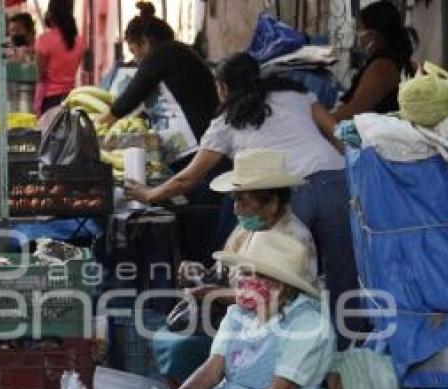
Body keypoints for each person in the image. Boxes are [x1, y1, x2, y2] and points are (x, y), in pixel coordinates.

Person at [126, 52, 362, 349]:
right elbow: (337, 134)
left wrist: (148, 194)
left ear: (223, 87)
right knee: (343, 275)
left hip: (291, 192)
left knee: (285, 276)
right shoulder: (296, 95)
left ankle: (287, 349)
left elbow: (189, 178)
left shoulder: (226, 121)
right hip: (335, 180)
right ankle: (346, 349)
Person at [156, 231, 335, 389]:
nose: (239, 280)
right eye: (241, 272)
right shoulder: (238, 314)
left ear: (278, 284)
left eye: (249, 274)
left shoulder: (308, 325)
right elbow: (213, 367)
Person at [153, 149, 317, 389]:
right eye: (235, 199)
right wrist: (200, 273)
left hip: (274, 323)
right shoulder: (250, 226)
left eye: (243, 200)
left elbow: (278, 297)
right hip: (238, 315)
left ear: (272, 203)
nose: (236, 209)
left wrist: (216, 295)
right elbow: (229, 269)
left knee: (181, 348)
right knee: (165, 335)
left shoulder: (291, 238)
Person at [100, 1, 231, 263]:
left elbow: (130, 97)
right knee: (197, 215)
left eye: (134, 50)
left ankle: (208, 271)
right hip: (190, 153)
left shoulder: (167, 53)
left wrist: (101, 123)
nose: (135, 58)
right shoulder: (177, 58)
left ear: (146, 42)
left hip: (201, 152)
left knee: (203, 222)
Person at [315, 0, 419, 140]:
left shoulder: (383, 68)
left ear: (373, 35)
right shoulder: (397, 58)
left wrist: (318, 121)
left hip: (369, 133)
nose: (357, 34)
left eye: (359, 29)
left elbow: (352, 112)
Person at [34, 0, 85, 115]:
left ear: (51, 13)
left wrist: (37, 105)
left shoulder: (44, 40)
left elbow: (40, 77)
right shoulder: (80, 41)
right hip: (72, 98)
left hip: (49, 101)